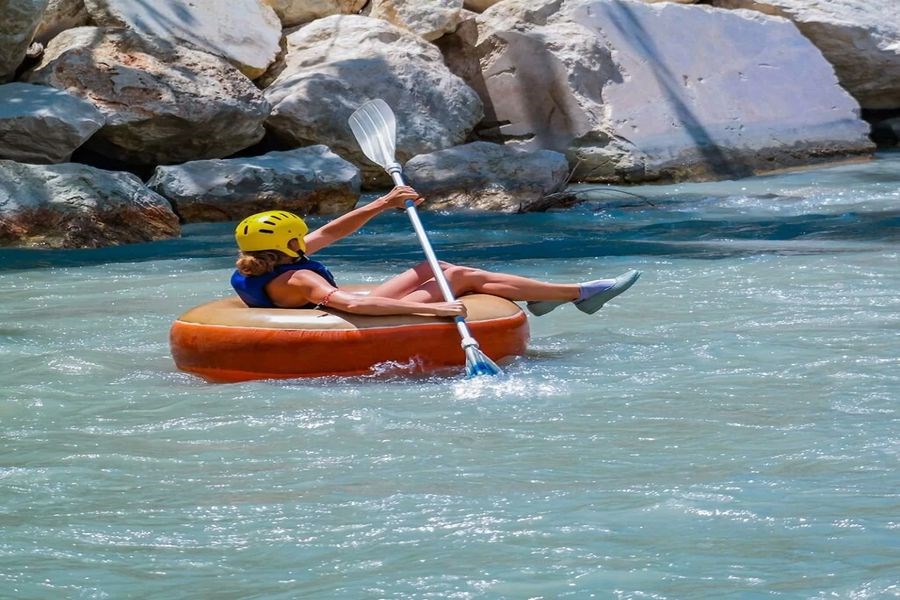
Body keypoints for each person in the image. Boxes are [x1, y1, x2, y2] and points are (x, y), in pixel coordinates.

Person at [231, 185, 640, 317]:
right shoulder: (299, 275)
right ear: (287, 244)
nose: (307, 239)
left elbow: (333, 232)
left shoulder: (263, 261)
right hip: (342, 315)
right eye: (299, 236)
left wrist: (382, 203)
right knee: (458, 277)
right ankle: (577, 294)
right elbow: (351, 308)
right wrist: (432, 309)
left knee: (435, 264)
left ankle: (546, 295)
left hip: (335, 307)